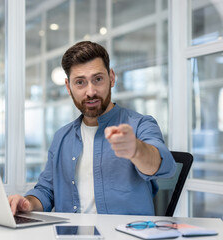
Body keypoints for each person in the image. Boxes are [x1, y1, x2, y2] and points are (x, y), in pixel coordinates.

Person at [9, 41, 176, 216]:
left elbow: (164, 166)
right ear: (68, 87)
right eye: (80, 82)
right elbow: (46, 191)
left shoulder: (140, 124)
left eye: (97, 79)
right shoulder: (61, 137)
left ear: (111, 78)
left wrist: (136, 150)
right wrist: (27, 203)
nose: (90, 92)